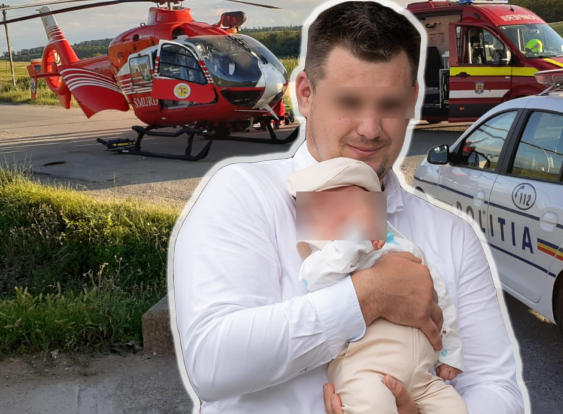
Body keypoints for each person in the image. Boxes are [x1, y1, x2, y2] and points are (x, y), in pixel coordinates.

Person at [172, 2, 525, 414]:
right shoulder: (244, 194)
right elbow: (211, 364)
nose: (370, 129)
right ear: (306, 94)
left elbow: (495, 386)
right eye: (349, 102)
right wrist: (368, 296)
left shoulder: (453, 235)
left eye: (389, 105)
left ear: (412, 101)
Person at [287, 157, 467, 414]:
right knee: (373, 406)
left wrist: (449, 352)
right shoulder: (326, 257)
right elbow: (312, 279)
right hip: (365, 368)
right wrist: (353, 243)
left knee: (455, 408)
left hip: (422, 376)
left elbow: (439, 298)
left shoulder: (407, 247)